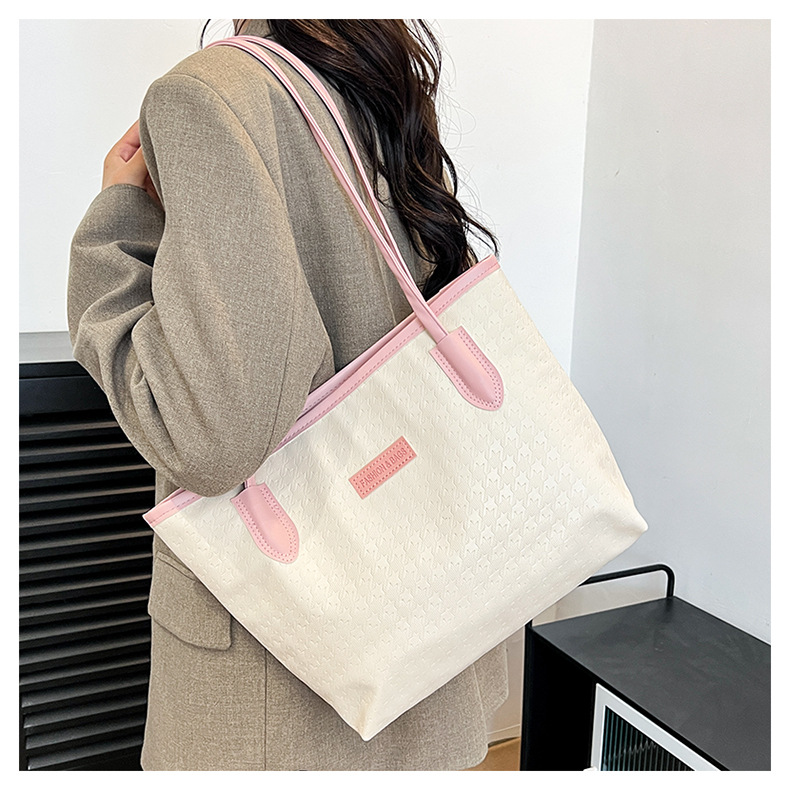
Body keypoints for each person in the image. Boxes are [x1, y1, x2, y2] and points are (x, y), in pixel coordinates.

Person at [68, 19, 509, 771]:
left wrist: (117, 220)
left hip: (283, 696)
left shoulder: (209, 95)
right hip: (431, 635)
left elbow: (211, 438)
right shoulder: (374, 75)